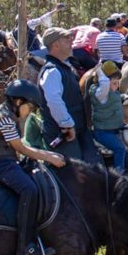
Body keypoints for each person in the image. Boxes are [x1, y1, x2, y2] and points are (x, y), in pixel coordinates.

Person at [0, 79, 66, 255]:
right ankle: (24, 246)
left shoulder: (8, 114)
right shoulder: (4, 118)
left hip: (4, 157)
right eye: (30, 107)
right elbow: (19, 147)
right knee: (28, 189)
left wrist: (47, 153)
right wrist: (49, 157)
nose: (30, 112)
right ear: (18, 102)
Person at [38, 27, 98, 164]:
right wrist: (67, 125)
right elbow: (54, 101)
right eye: (66, 39)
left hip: (77, 129)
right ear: (55, 45)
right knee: (75, 173)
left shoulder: (65, 67)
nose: (71, 41)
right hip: (64, 133)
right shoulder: (52, 71)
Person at [88, 61, 127, 170]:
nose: (117, 85)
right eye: (114, 83)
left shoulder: (113, 91)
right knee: (120, 149)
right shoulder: (100, 93)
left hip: (114, 128)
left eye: (118, 83)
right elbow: (104, 83)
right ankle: (119, 174)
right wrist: (99, 70)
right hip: (103, 131)